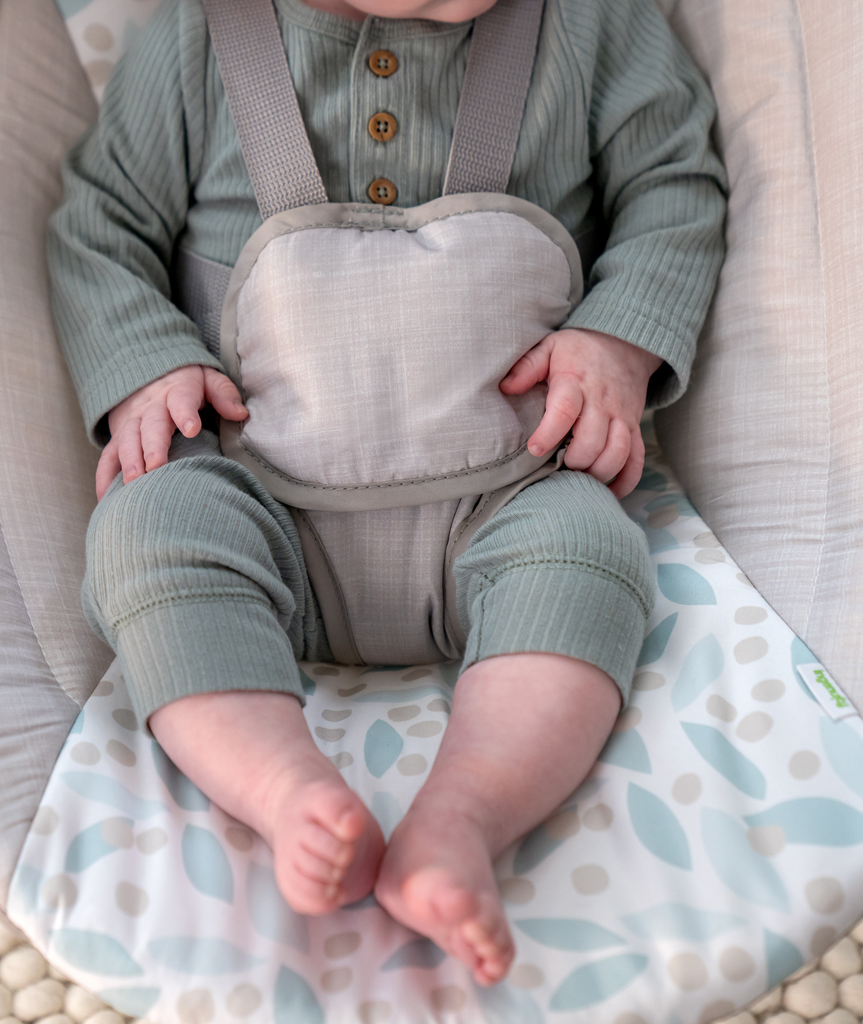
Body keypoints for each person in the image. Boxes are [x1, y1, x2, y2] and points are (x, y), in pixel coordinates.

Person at [48, 0, 726, 986]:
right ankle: (282, 787)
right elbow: (100, 224)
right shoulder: (198, 34)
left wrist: (620, 337)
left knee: (589, 553)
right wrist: (144, 361)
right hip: (254, 493)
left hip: (510, 488)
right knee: (147, 529)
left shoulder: (595, 24)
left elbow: (674, 187)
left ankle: (465, 815)